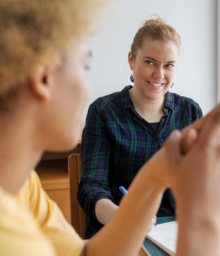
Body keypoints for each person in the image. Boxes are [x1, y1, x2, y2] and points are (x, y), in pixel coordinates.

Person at [0, 0, 220, 256]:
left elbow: (88, 254)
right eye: (85, 66)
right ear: (43, 77)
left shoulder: (16, 183)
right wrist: (204, 217)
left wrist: (157, 175)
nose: (86, 84)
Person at [78, 17, 203, 238]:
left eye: (169, 65)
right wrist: (120, 216)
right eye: (150, 62)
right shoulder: (103, 112)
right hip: (118, 233)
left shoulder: (190, 112)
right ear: (131, 60)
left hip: (178, 233)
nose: (159, 74)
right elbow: (92, 186)